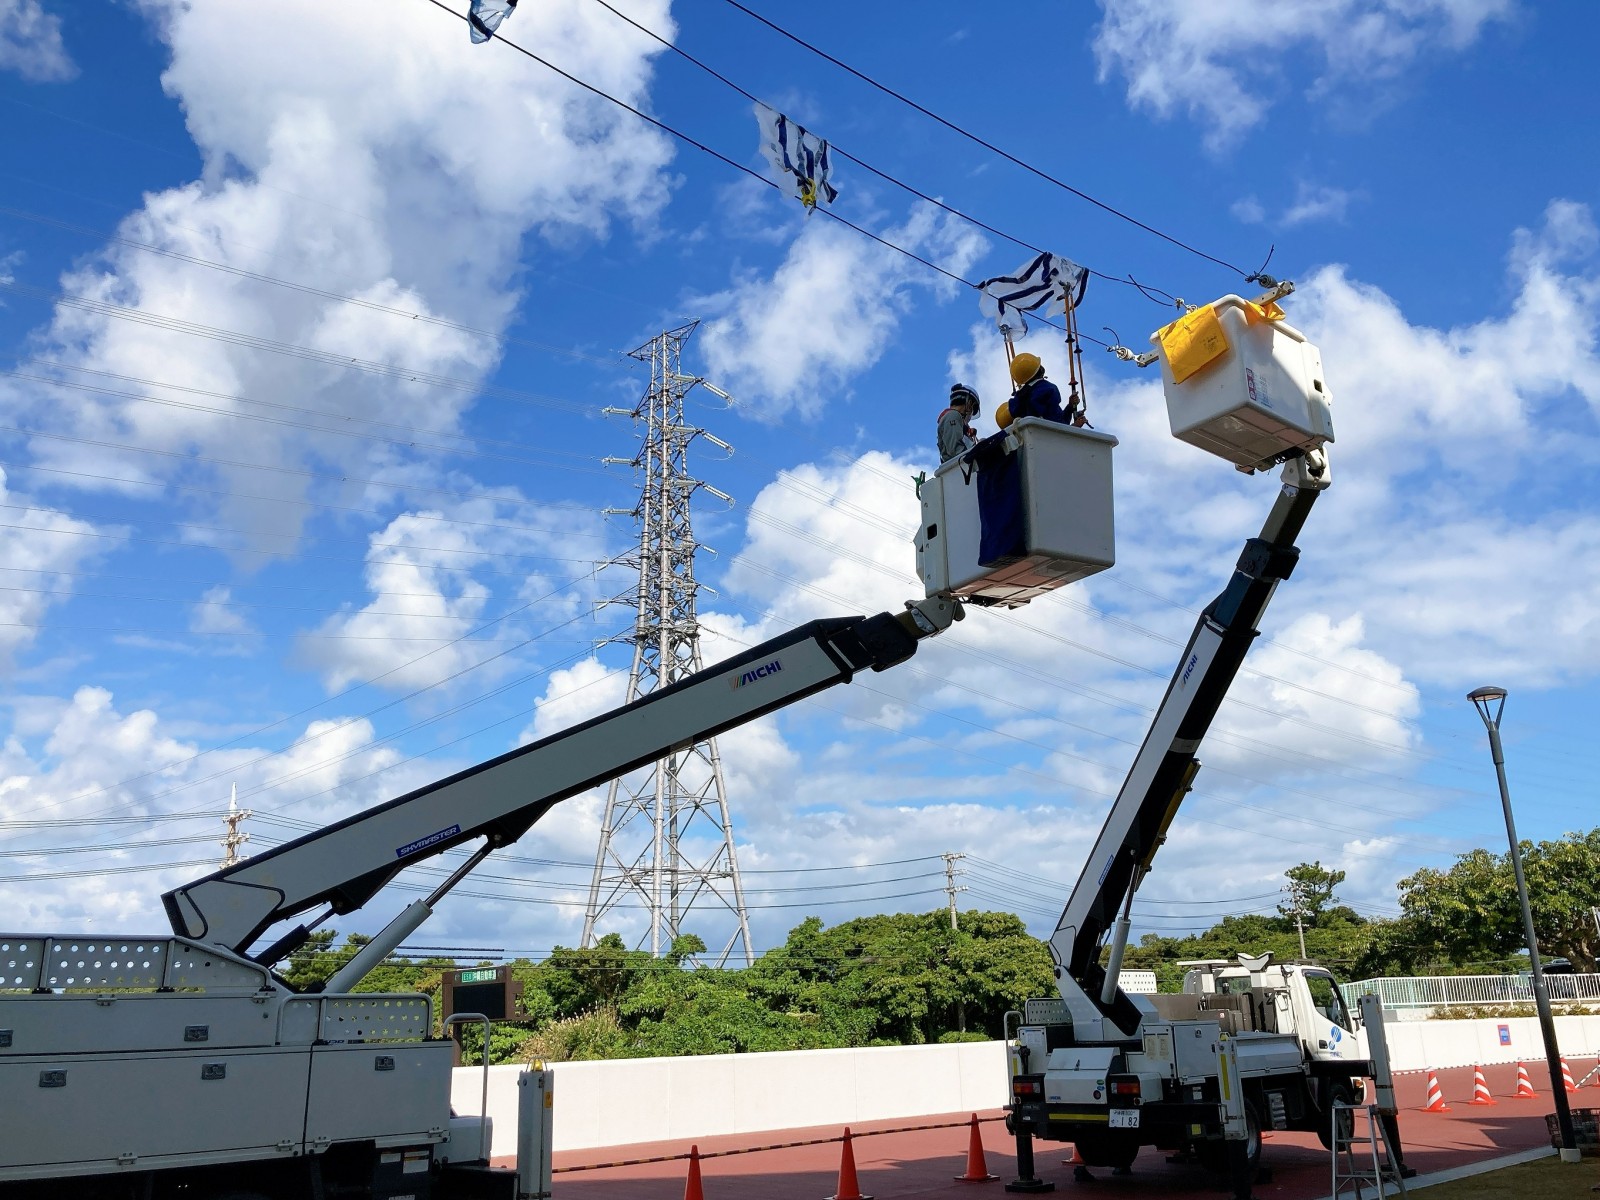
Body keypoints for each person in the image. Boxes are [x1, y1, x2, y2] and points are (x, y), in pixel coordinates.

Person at [1006, 353, 1081, 426]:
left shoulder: (1018, 398)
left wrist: (1070, 407)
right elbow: (1056, 424)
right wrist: (1074, 427)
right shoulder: (1048, 389)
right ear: (1039, 370)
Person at [938, 382, 981, 462]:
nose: (970, 415)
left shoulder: (956, 422)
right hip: (963, 469)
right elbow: (956, 451)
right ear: (969, 403)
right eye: (973, 410)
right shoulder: (953, 416)